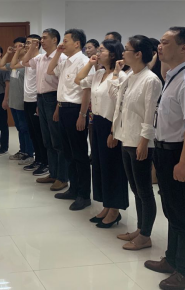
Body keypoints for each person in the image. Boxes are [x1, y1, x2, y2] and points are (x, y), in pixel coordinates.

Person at [144, 27, 185, 290]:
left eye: (165, 42)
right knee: (172, 210)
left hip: (180, 154)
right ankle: (172, 259)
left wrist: (184, 162)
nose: (159, 46)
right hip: (165, 151)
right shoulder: (174, 75)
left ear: (183, 48)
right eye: (159, 42)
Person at [109, 35, 162, 251]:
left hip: (140, 141)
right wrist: (115, 131)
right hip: (126, 137)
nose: (123, 53)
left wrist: (144, 141)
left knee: (144, 190)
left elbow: (150, 114)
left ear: (138, 54)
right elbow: (117, 100)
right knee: (136, 189)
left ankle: (146, 235)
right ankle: (140, 229)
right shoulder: (131, 75)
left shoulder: (151, 80)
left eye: (127, 49)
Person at [75, 39, 128, 228]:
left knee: (113, 167)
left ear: (113, 54)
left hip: (111, 125)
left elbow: (120, 106)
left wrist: (114, 132)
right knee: (99, 166)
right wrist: (90, 64)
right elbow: (78, 80)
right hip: (96, 123)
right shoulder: (98, 74)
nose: (97, 53)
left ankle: (115, 209)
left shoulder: (121, 76)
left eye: (102, 50)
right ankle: (107, 205)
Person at [47, 29, 92, 210]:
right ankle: (73, 189)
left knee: (79, 154)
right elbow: (50, 70)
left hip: (76, 111)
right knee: (68, 153)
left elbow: (86, 91)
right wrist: (58, 53)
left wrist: (83, 115)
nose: (62, 44)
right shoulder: (65, 61)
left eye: (65, 41)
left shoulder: (84, 62)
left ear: (77, 43)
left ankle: (84, 195)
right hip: (64, 108)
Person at [24, 29, 67, 182]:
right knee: (47, 139)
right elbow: (24, 62)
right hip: (41, 98)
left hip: (53, 98)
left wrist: (58, 106)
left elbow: (62, 84)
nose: (41, 41)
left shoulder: (61, 58)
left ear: (54, 40)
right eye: (41, 38)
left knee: (57, 140)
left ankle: (62, 177)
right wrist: (31, 47)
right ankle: (53, 173)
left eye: (44, 38)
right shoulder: (41, 57)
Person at [9, 34, 45, 168]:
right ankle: (36, 159)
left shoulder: (40, 59)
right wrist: (19, 50)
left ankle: (41, 160)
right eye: (26, 43)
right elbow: (13, 65)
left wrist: (39, 102)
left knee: (38, 133)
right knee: (32, 132)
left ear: (37, 44)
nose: (26, 45)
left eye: (30, 43)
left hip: (36, 100)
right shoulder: (28, 61)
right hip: (27, 99)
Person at [0, 38, 34, 163]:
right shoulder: (15, 64)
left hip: (23, 101)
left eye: (20, 46)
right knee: (19, 128)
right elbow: (1, 66)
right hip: (13, 102)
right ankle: (22, 151)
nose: (17, 48)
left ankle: (29, 153)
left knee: (25, 128)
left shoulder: (27, 64)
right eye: (15, 46)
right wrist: (8, 53)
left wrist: (18, 52)